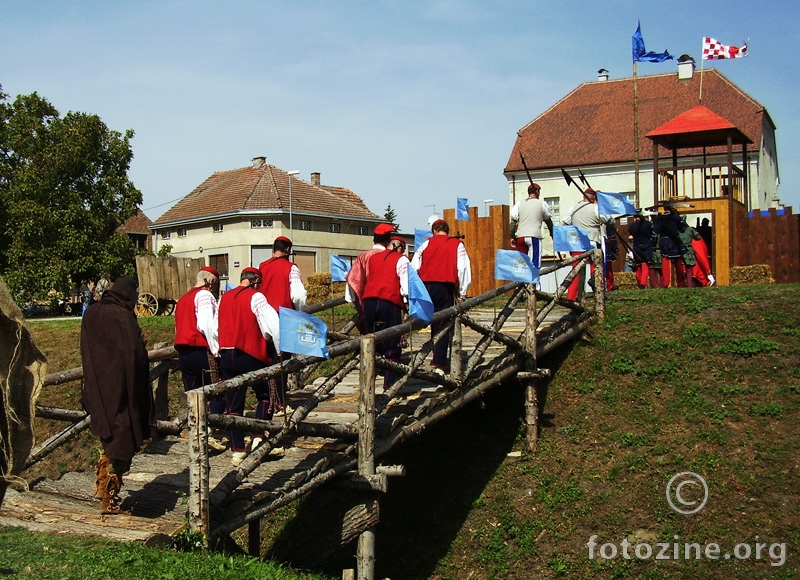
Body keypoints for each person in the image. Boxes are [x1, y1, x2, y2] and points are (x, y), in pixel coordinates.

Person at [80, 275, 154, 514]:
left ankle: (102, 488)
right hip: (121, 389)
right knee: (121, 441)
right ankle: (108, 501)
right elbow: (133, 355)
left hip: (98, 385)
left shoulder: (91, 312)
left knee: (108, 436)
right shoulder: (122, 316)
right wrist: (140, 344)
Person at [217, 267, 281, 466]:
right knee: (265, 395)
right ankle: (258, 437)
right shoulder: (256, 297)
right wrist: (277, 350)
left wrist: (218, 349)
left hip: (227, 353)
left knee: (233, 403)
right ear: (255, 281)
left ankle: (237, 449)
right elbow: (272, 324)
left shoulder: (224, 298)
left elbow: (214, 325)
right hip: (250, 353)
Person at [411, 219, 472, 376]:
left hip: (426, 285)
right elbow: (463, 268)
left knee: (429, 320)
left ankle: (424, 356)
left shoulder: (426, 244)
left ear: (434, 231)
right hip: (444, 285)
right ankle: (439, 362)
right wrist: (462, 292)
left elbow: (414, 265)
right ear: (447, 231)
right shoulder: (456, 244)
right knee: (443, 323)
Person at [173, 266, 226, 448]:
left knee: (193, 393)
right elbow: (208, 325)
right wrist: (216, 349)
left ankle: (195, 430)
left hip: (183, 350)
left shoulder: (182, 299)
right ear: (210, 281)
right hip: (200, 348)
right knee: (217, 390)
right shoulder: (204, 296)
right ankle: (207, 431)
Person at [361, 239, 411, 388]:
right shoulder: (401, 259)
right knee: (392, 345)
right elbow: (406, 285)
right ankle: (389, 387)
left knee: (371, 343)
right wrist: (407, 301)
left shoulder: (373, 258)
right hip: (389, 301)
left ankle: (367, 384)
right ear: (400, 248)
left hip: (369, 301)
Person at [562, 188, 615, 300]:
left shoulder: (573, 208)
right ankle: (598, 292)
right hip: (592, 240)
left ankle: (571, 296)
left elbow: (565, 222)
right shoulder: (595, 208)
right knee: (595, 267)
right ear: (594, 197)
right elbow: (609, 220)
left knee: (575, 269)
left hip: (576, 241)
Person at [345, 223, 395, 327]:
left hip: (367, 302)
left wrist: (354, 301)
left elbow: (352, 279)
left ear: (374, 239)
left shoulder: (363, 256)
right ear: (388, 240)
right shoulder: (391, 256)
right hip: (388, 302)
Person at [510, 182, 554, 269]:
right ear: (537, 191)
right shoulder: (541, 204)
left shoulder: (519, 203)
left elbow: (513, 222)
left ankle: (522, 282)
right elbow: (548, 220)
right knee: (535, 264)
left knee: (521, 265)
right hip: (533, 236)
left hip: (520, 237)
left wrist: (512, 237)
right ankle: (532, 282)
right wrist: (553, 234)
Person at [258, 236, 307, 312]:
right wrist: (302, 312)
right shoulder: (292, 268)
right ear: (287, 249)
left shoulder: (261, 266)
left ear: (273, 250)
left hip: (264, 317)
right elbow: (298, 297)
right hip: (284, 316)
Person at [653, 207, 686, 288]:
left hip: (664, 241)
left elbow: (654, 233)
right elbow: (682, 229)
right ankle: (681, 283)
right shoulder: (675, 217)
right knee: (678, 262)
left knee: (665, 262)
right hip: (675, 240)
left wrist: (653, 244)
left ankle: (665, 283)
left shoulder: (660, 219)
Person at [629, 212, 655, 289]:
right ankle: (643, 283)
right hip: (645, 246)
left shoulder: (632, 226)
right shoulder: (647, 224)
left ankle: (639, 281)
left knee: (638, 266)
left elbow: (631, 232)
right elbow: (651, 232)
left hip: (636, 247)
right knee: (645, 265)